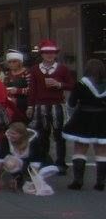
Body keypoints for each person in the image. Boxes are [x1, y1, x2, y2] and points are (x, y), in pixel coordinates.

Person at [28, 39, 74, 173]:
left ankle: (61, 163)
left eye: (52, 53)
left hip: (57, 105)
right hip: (40, 105)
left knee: (59, 135)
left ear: (56, 54)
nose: (49, 55)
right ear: (41, 54)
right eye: (46, 53)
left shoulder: (63, 69)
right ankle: (45, 161)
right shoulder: (35, 69)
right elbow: (32, 89)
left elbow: (72, 85)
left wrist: (59, 84)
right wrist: (30, 106)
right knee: (42, 135)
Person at [62, 58, 106, 191]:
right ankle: (100, 182)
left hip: (83, 118)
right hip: (102, 118)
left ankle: (78, 181)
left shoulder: (80, 84)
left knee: (80, 148)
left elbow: (71, 103)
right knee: (102, 151)